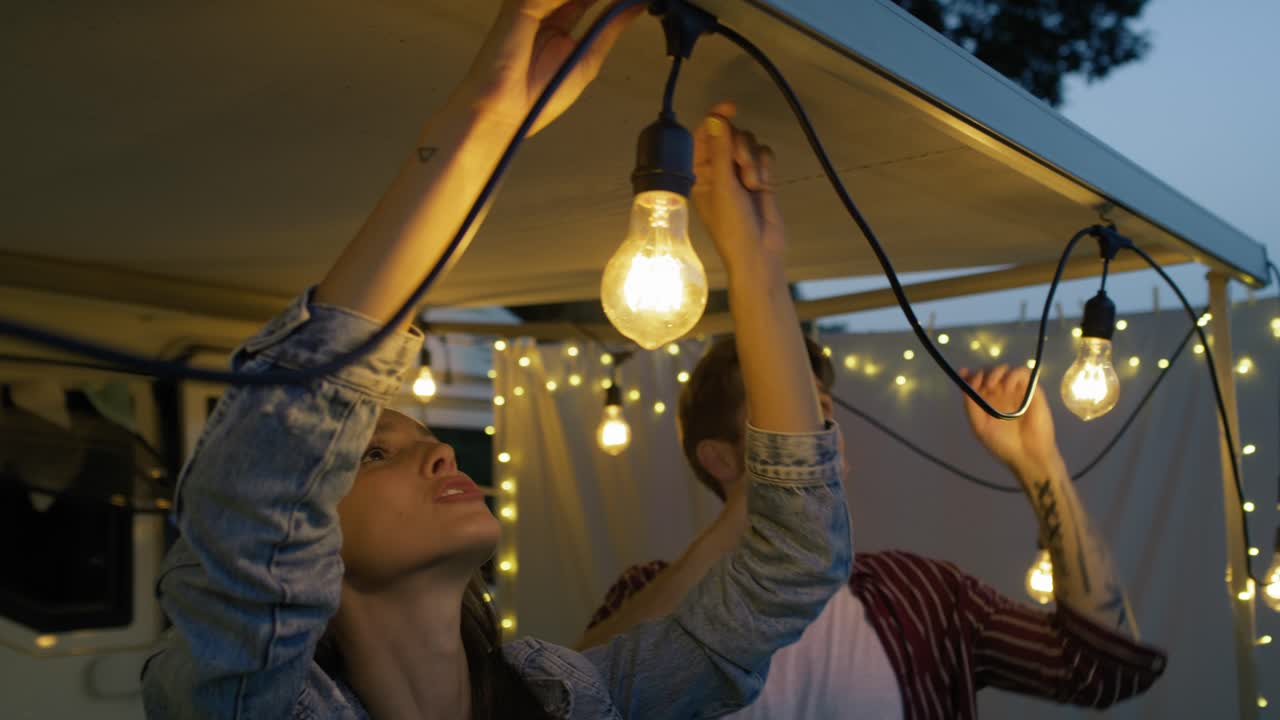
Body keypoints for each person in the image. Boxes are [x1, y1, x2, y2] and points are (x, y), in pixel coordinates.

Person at [139, 2, 854, 718]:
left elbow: (790, 567)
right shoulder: (243, 699)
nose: (444, 455)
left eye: (428, 440)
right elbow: (270, 457)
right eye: (375, 454)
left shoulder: (569, 699)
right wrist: (480, 129)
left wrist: (758, 273)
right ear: (304, 530)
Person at [578, 118, 1168, 718]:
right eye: (786, 408)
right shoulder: (649, 593)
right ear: (720, 456)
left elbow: (1104, 671)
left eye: (819, 410)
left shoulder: (923, 597)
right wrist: (754, 512)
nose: (814, 424)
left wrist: (1042, 466)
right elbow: (572, 700)